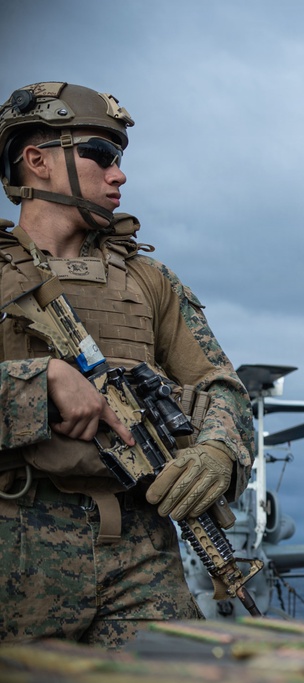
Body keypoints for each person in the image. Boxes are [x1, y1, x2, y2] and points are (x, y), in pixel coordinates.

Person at [0, 82, 254, 646]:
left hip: (143, 550)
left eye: (121, 159)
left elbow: (225, 391)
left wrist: (216, 453)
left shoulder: (147, 279)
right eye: (101, 155)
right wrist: (39, 383)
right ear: (36, 162)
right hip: (16, 541)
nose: (119, 175)